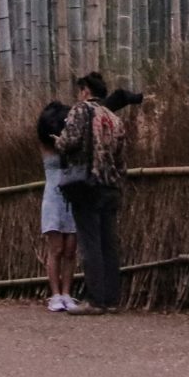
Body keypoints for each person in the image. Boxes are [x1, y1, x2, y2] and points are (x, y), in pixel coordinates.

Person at [55, 72, 128, 314]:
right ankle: (111, 299)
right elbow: (121, 157)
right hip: (111, 186)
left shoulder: (80, 110)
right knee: (109, 243)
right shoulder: (113, 117)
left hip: (87, 185)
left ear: (86, 90)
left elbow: (70, 141)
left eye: (80, 90)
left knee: (90, 243)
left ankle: (95, 300)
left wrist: (59, 141)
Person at [37, 101, 80, 312]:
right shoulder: (46, 145)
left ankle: (67, 293)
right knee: (56, 248)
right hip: (53, 198)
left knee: (71, 250)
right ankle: (54, 295)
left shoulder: (72, 144)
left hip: (72, 197)